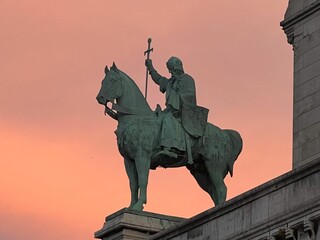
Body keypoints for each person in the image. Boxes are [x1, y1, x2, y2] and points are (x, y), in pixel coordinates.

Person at [145, 56, 197, 163]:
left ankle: (171, 148)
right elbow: (159, 79)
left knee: (168, 119)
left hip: (182, 111)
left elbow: (191, 95)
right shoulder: (170, 82)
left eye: (172, 69)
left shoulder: (187, 79)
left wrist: (177, 95)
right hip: (170, 110)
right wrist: (150, 68)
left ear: (178, 68)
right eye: (170, 70)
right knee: (157, 119)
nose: (170, 72)